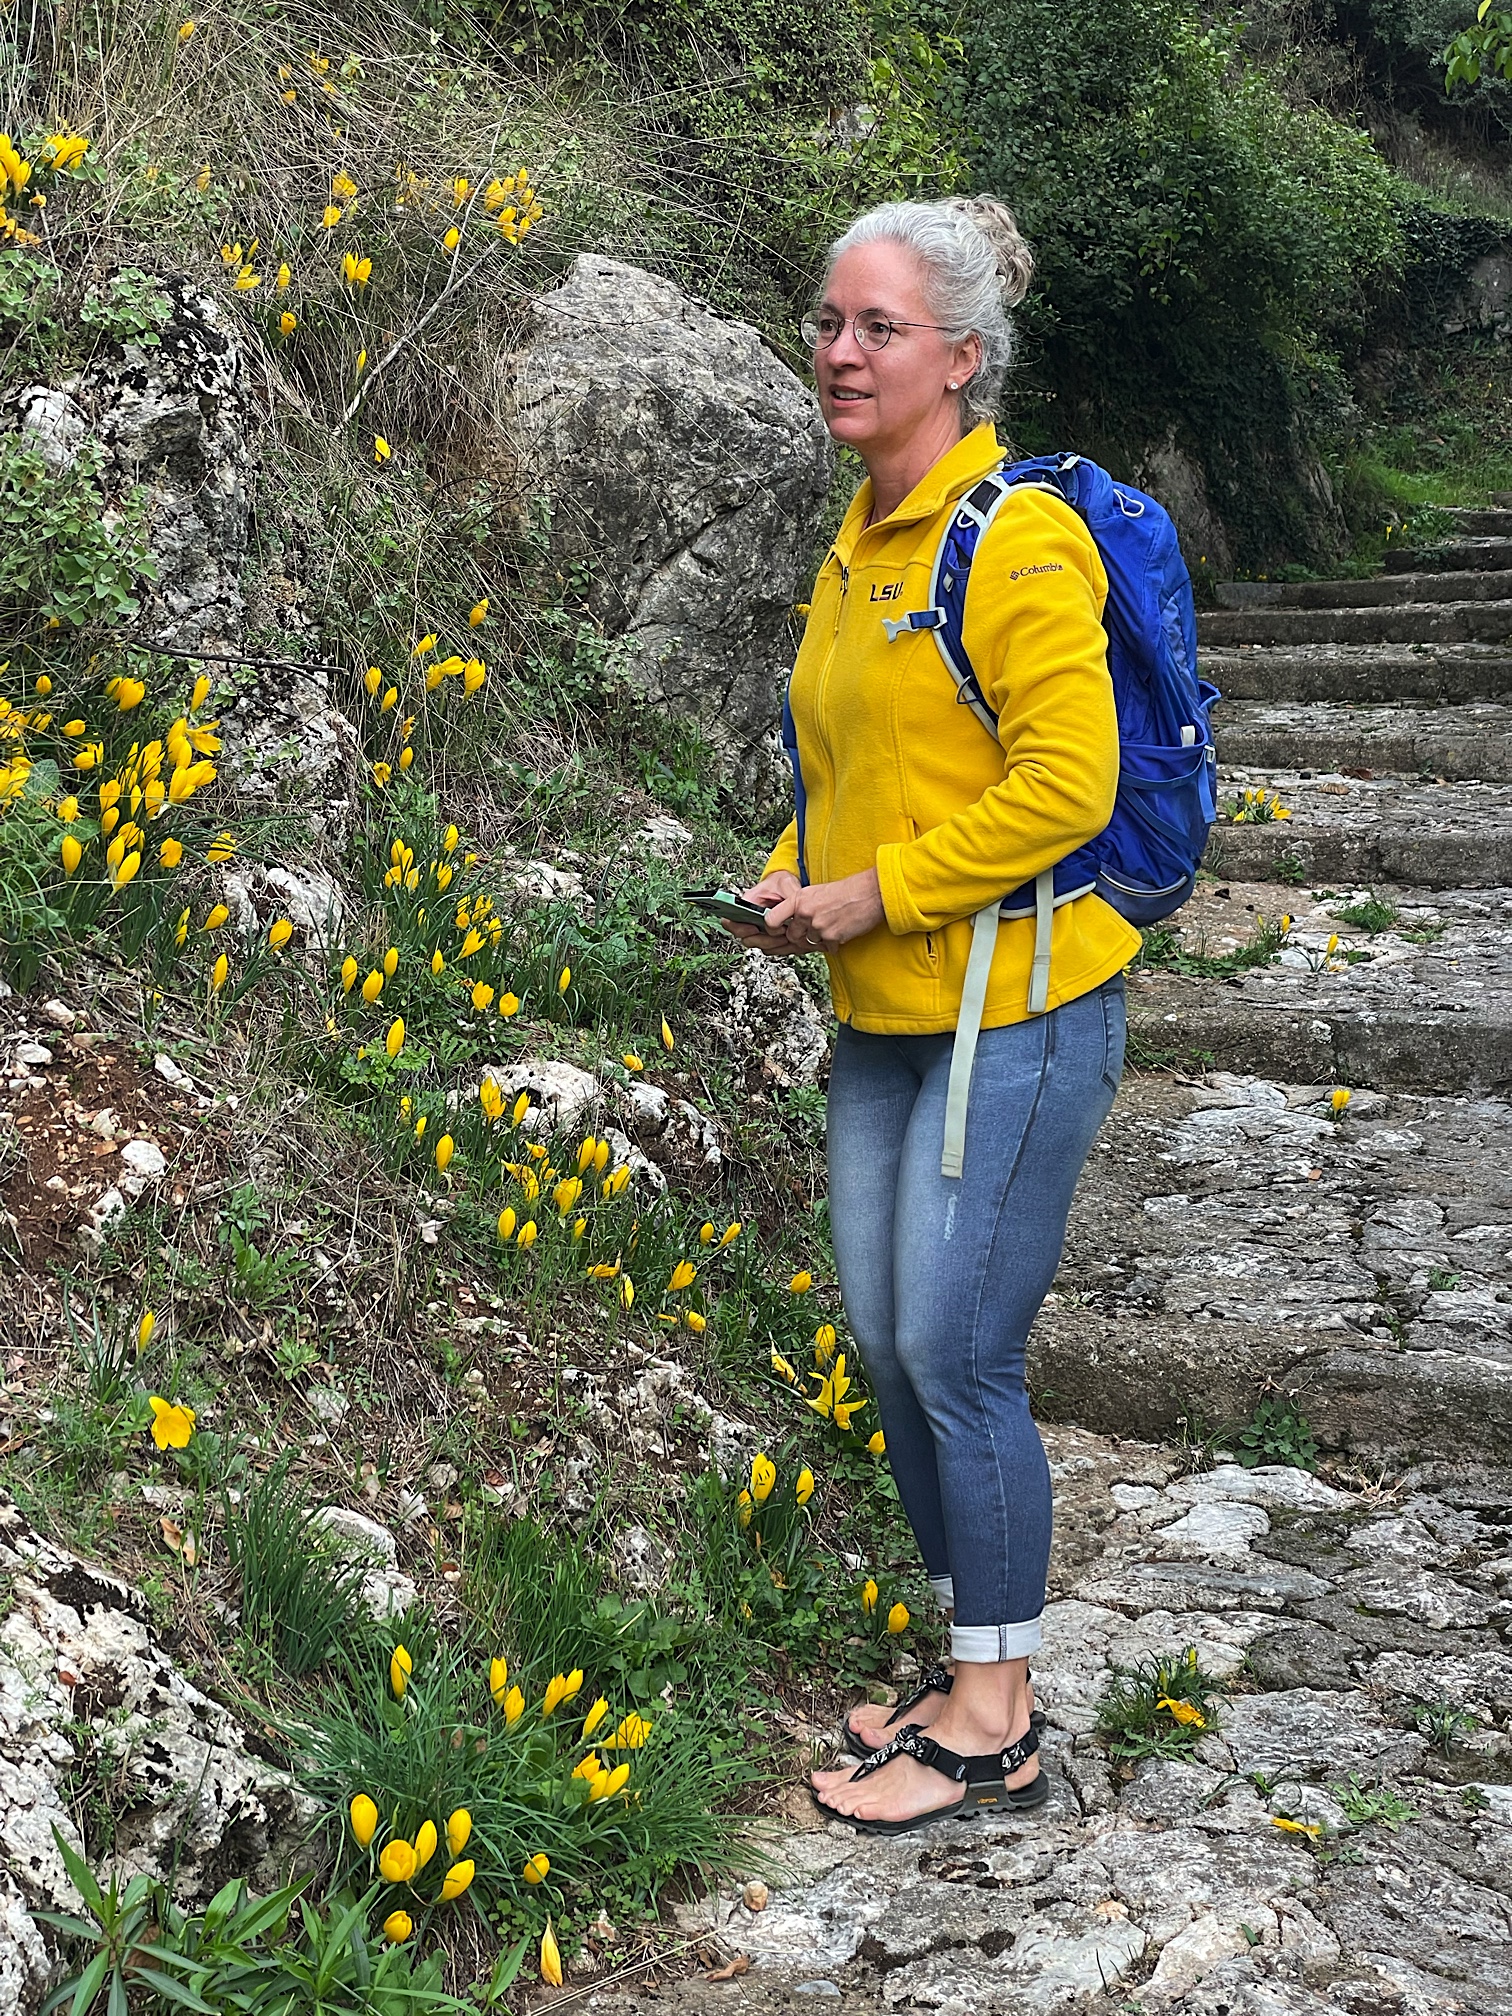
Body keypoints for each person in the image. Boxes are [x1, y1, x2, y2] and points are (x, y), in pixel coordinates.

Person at [725, 195, 1141, 1836]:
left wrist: (877, 893)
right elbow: (860, 768)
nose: (840, 350)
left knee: (960, 1352)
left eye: (877, 328)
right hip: (887, 1016)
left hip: (1018, 1012)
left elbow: (1069, 785)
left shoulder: (1014, 538)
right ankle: (976, 1662)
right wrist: (797, 877)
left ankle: (996, 1727)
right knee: (894, 1351)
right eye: (829, 321)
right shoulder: (861, 540)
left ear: (961, 358)